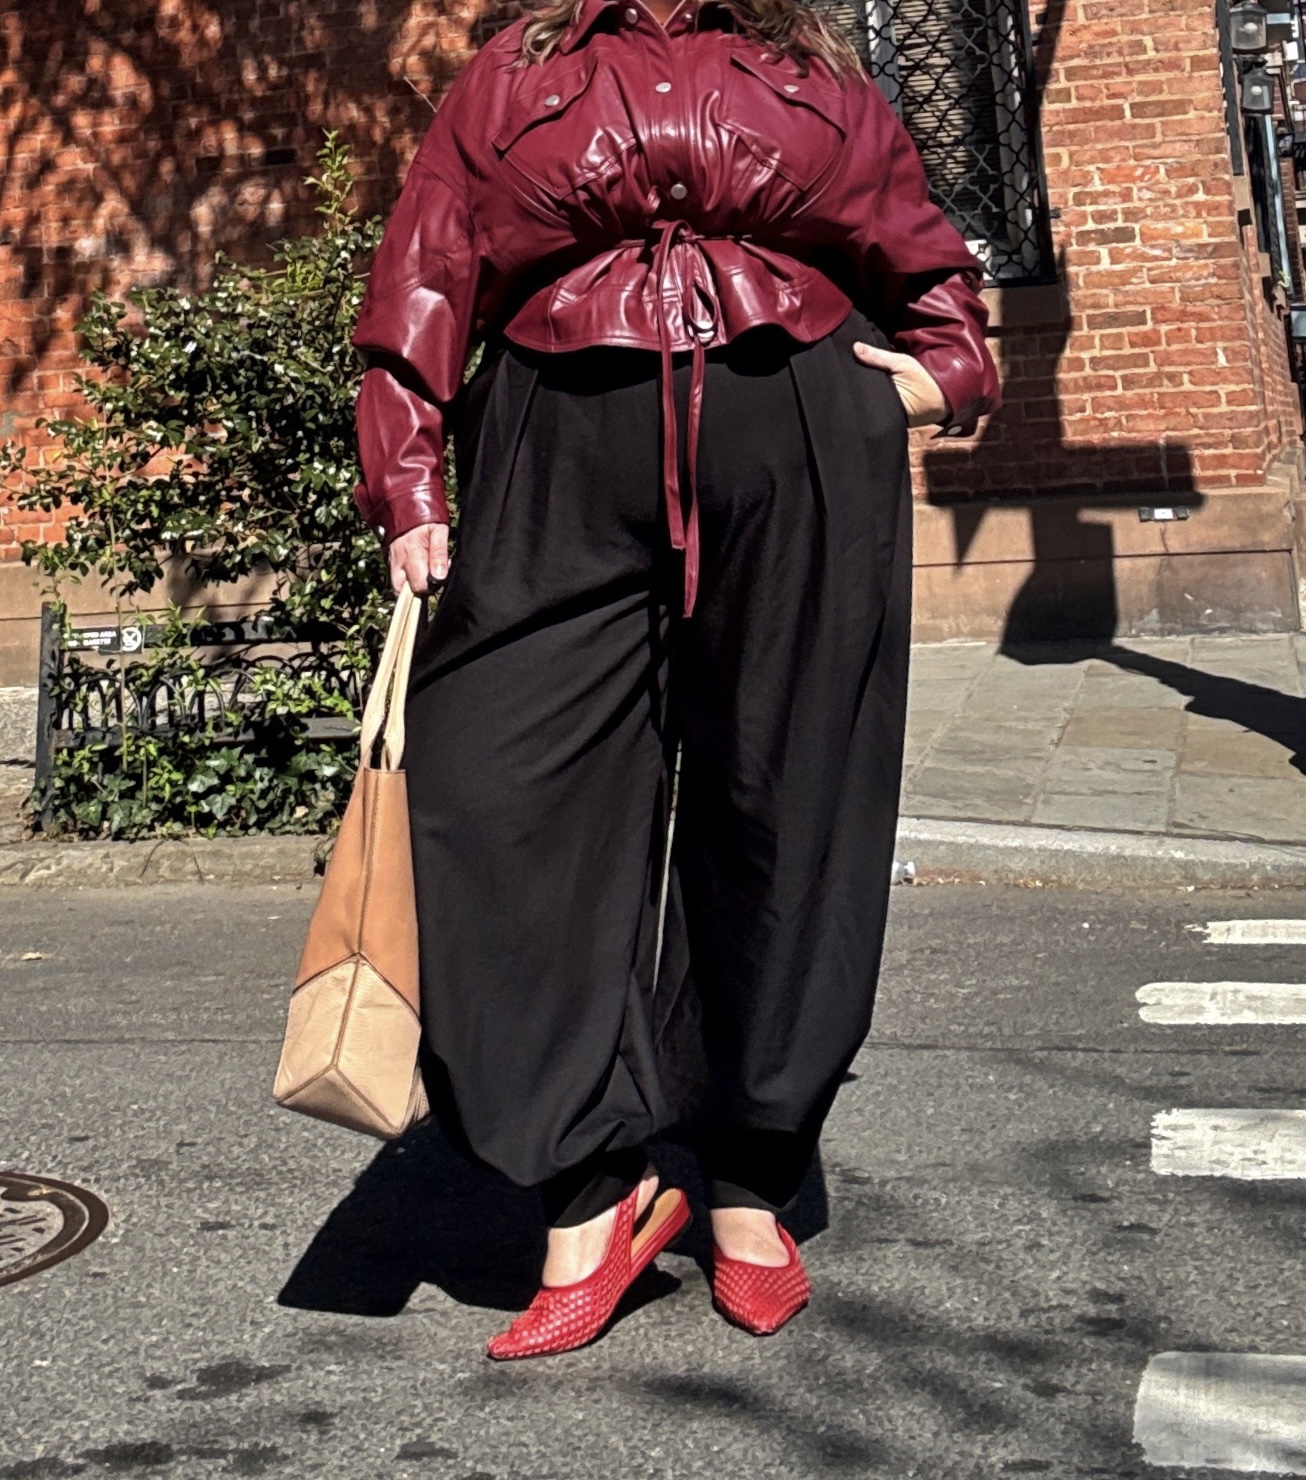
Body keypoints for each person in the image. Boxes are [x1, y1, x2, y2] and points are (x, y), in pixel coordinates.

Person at [351, 0, 1000, 1360]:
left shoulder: (809, 67)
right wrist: (408, 478)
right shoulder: (515, 73)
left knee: (788, 800)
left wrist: (944, 376)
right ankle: (590, 1183)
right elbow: (425, 267)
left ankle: (752, 1173)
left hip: (801, 436)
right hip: (550, 445)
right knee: (495, 796)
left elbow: (913, 243)